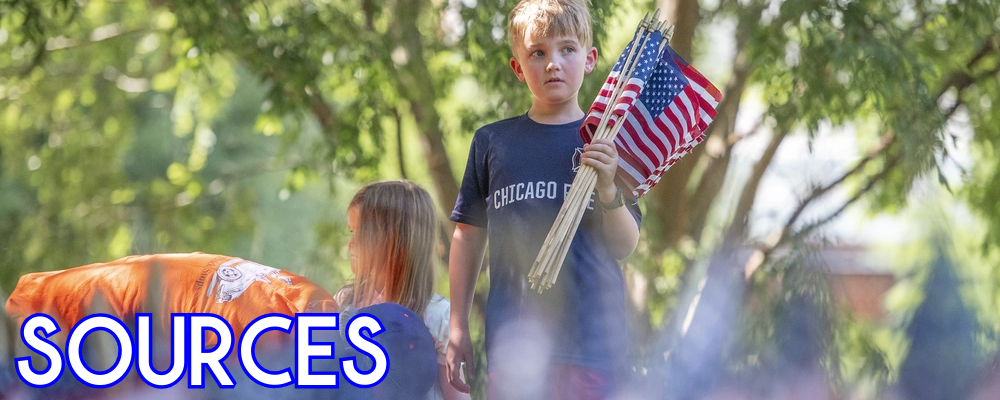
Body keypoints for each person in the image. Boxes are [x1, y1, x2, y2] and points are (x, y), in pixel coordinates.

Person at [445, 0, 642, 399]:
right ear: (519, 67)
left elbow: (624, 246)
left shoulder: (609, 142)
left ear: (589, 60)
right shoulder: (492, 142)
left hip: (592, 346)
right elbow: (467, 238)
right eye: (538, 52)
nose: (553, 62)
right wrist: (458, 327)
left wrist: (607, 188)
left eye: (567, 49)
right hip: (514, 343)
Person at [335, 180, 470, 400]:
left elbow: (456, 395)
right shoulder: (344, 303)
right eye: (351, 231)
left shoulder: (436, 315)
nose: (351, 243)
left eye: (360, 232)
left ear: (393, 240)